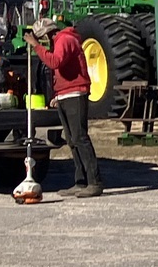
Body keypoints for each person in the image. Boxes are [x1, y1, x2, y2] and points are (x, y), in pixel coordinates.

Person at [25, 11, 103, 197]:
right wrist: (57, 95)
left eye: (42, 39)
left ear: (47, 34)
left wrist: (36, 46)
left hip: (75, 93)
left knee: (80, 137)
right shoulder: (59, 41)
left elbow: (55, 62)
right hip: (65, 94)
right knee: (72, 139)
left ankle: (94, 182)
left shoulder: (65, 40)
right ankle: (81, 181)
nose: (43, 43)